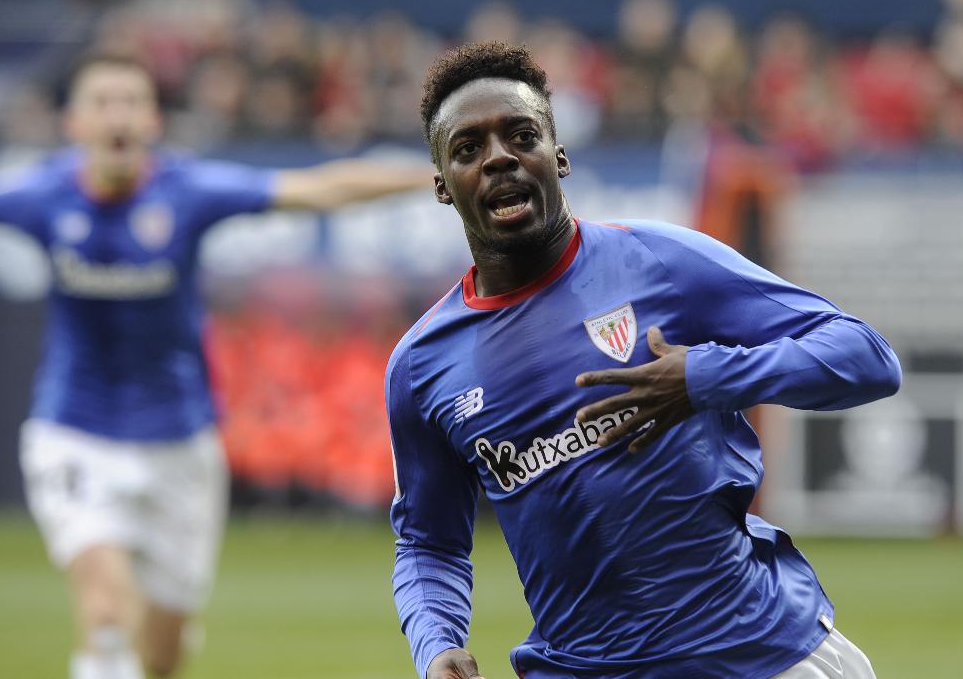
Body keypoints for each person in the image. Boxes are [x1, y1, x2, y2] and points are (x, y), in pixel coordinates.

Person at [387, 42, 902, 679]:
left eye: (522, 136)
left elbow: (867, 356)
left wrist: (703, 378)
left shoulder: (659, 262)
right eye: (468, 149)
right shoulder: (422, 365)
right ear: (443, 183)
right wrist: (436, 644)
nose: (499, 158)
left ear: (559, 154)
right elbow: (429, 543)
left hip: (763, 655)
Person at [0, 53, 432, 679]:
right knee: (105, 613)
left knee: (163, 655)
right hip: (75, 432)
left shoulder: (188, 192)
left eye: (131, 102)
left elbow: (316, 189)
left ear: (153, 120)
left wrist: (430, 172)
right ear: (74, 122)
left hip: (181, 444)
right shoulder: (42, 194)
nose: (118, 116)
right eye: (102, 102)